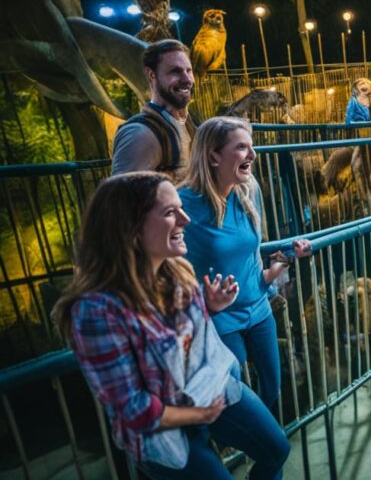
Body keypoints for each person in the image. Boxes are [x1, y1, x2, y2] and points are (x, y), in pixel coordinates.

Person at [51, 172, 290, 479]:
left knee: (277, 451)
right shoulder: (96, 312)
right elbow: (132, 408)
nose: (185, 220)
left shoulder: (177, 272)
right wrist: (198, 415)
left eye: (181, 208)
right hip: (162, 432)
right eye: (169, 212)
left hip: (212, 390)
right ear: (132, 229)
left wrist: (207, 306)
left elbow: (179, 338)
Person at [178, 116, 311, 410]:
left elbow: (251, 257)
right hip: (221, 318)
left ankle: (268, 444)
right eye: (242, 148)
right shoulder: (182, 204)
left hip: (259, 307)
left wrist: (277, 270)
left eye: (251, 146)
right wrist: (201, 302)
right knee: (237, 398)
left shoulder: (248, 190)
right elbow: (166, 268)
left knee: (273, 388)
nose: (253, 155)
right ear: (214, 156)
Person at [112, 39, 196, 181]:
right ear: (151, 75)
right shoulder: (139, 134)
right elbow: (123, 199)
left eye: (189, 70)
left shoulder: (186, 123)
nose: (187, 79)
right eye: (175, 71)